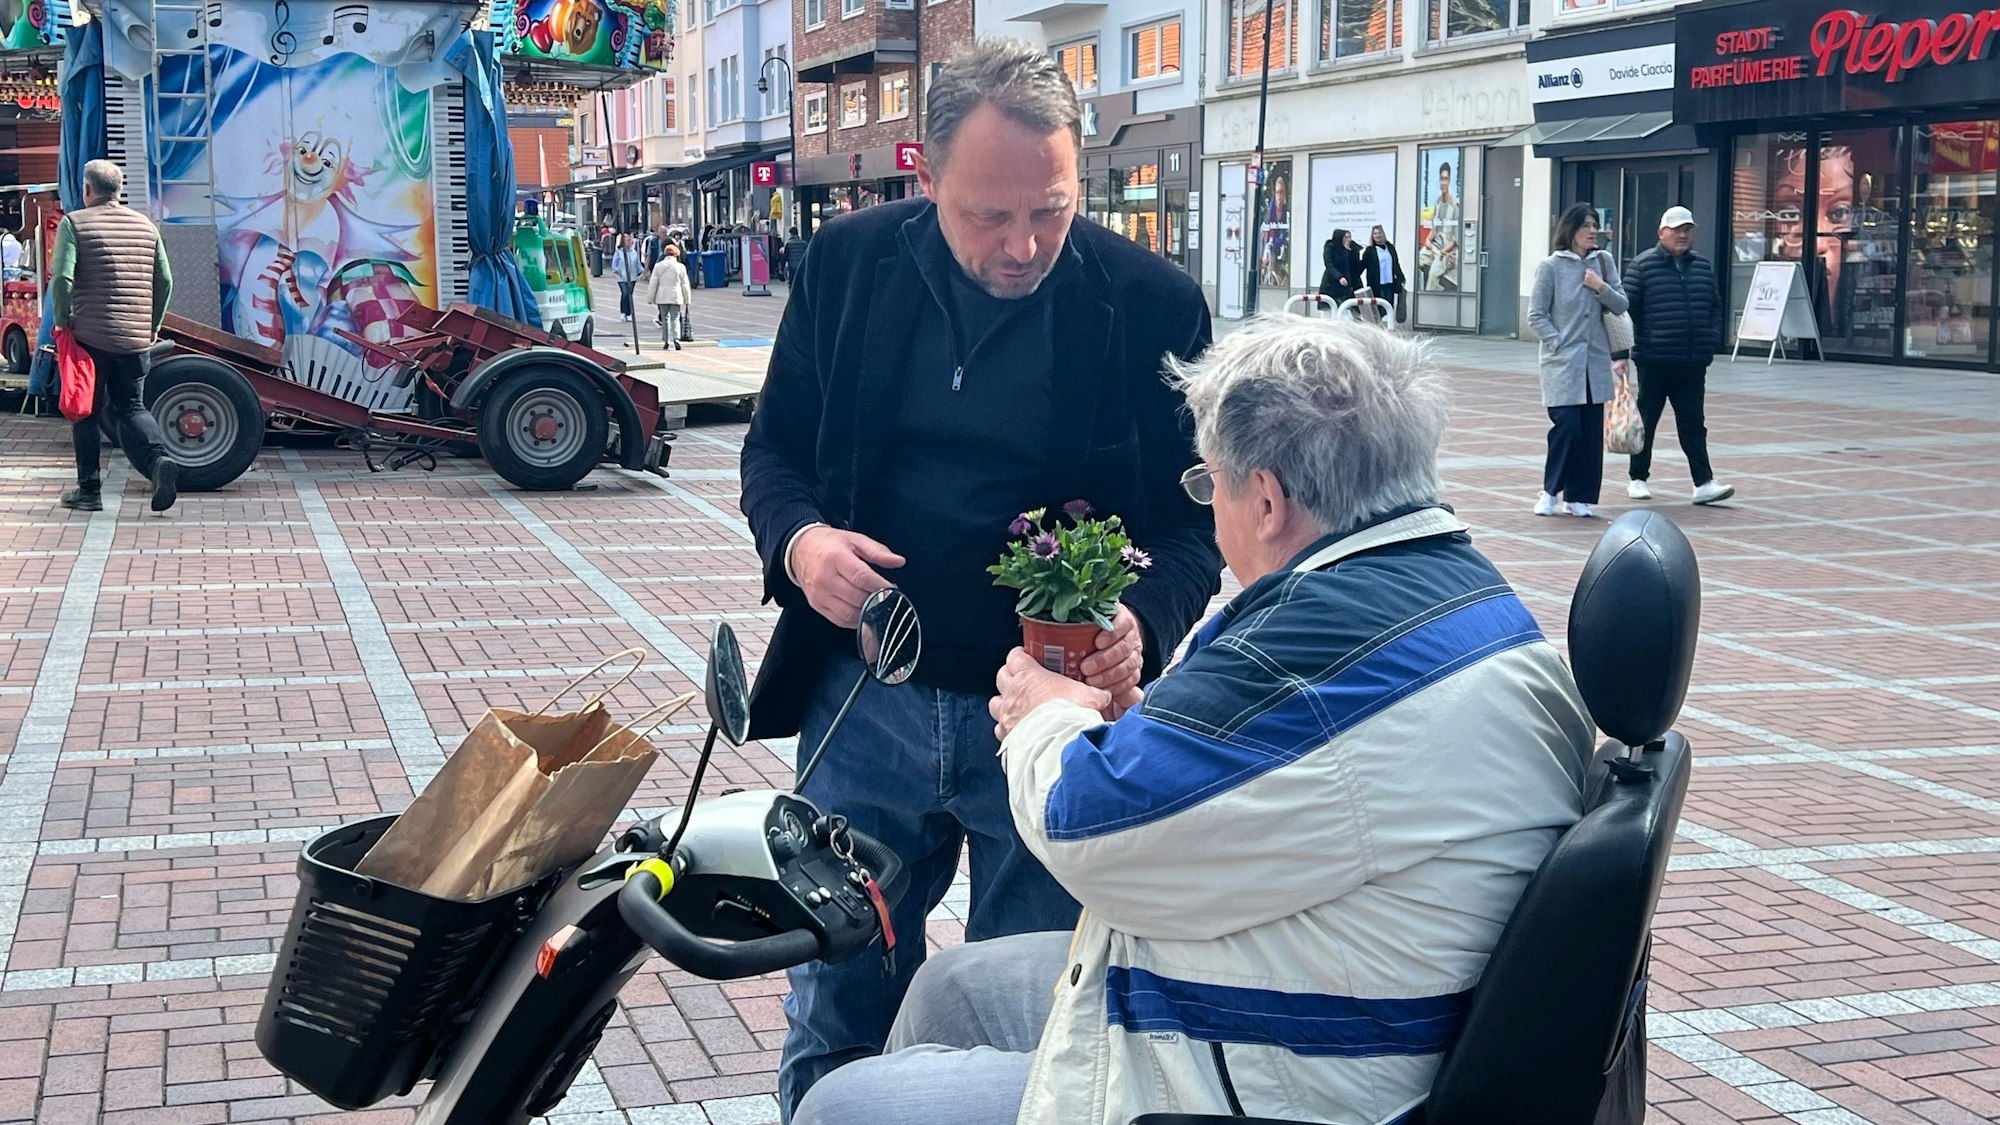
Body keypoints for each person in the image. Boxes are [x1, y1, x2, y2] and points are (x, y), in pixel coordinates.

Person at [793, 316, 1593, 1125]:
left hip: (1275, 1079)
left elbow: (1087, 827)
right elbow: (1292, 779)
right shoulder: (1440, 588)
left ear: (1269, 498)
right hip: (1343, 987)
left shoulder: (1316, 647)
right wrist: (1137, 729)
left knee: (842, 1106)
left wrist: (1046, 714)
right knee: (952, 986)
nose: (1211, 511)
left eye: (1212, 485)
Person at [740, 38, 1222, 1120]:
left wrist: (1139, 622)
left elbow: (1196, 528)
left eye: (1049, 210)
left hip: (1048, 719)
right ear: (923, 175)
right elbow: (772, 455)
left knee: (1037, 1016)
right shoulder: (848, 264)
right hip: (864, 697)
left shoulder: (1150, 303)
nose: (1021, 245)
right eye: (986, 216)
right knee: (835, 999)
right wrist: (802, 543)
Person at [54, 160, 181, 514]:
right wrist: (152, 324)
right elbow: (165, 281)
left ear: (87, 190)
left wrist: (64, 320)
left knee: (86, 413)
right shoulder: (145, 225)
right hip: (135, 339)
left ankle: (89, 491)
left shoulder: (74, 223)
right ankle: (159, 464)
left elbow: (63, 278)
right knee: (131, 407)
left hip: (90, 338)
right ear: (119, 190)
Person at [1623, 207, 1734, 507]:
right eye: (1676, 229)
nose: (1682, 235)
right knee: (1647, 420)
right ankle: (1638, 477)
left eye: (1687, 229)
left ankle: (1704, 482)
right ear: (1662, 233)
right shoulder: (1642, 266)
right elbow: (1626, 311)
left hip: (1692, 360)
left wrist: (1709, 342)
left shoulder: (1702, 266)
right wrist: (1629, 349)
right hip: (1654, 359)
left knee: (1693, 423)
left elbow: (1715, 307)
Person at [1528, 203, 1626, 519]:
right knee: (1566, 427)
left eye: (1595, 224)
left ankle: (1579, 496)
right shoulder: (1551, 267)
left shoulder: (1605, 262)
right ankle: (1550, 491)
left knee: (1589, 433)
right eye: (1586, 225)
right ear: (1570, 230)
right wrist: (1557, 342)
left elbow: (1621, 305)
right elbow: (1536, 314)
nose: (1593, 231)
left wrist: (1600, 287)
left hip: (1595, 362)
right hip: (1562, 363)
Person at [644, 242, 691, 351]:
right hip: (676, 295)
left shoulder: (658, 266)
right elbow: (685, 284)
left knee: (664, 318)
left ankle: (666, 340)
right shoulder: (680, 267)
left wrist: (650, 298)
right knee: (675, 317)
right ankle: (676, 338)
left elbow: (653, 283)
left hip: (662, 295)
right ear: (676, 254)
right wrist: (687, 299)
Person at [1421, 161, 1460, 292]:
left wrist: (1445, 250)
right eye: (1441, 179)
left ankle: (1429, 298)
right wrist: (1427, 240)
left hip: (1448, 252)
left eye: (1445, 179)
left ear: (1449, 180)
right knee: (1419, 260)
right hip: (1434, 247)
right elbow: (1434, 228)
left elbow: (1456, 239)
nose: (1443, 183)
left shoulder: (1455, 205)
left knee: (1433, 272)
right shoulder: (1437, 201)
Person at [1359, 224, 1405, 327]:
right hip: (1376, 284)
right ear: (1372, 236)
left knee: (1388, 306)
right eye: (1375, 233)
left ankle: (1390, 327)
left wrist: (1401, 277)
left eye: (1379, 233)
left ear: (1383, 234)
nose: (1377, 235)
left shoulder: (1390, 248)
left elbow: (1396, 264)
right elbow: (1362, 266)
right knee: (1378, 308)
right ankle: (1377, 327)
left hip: (1389, 283)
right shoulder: (1370, 251)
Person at [1318, 227, 1359, 308]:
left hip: (1348, 284)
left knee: (1348, 309)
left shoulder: (1352, 248)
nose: (1349, 239)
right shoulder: (1330, 247)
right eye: (1346, 237)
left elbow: (1355, 265)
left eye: (1350, 237)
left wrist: (1349, 251)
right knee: (1330, 309)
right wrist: (1339, 277)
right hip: (1332, 283)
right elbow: (1329, 264)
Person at [609, 233, 644, 321]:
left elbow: (638, 263)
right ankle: (623, 312)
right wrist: (617, 270)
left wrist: (642, 271)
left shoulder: (634, 252)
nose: (630, 242)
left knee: (629, 294)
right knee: (624, 293)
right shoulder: (619, 252)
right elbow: (614, 264)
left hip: (632, 276)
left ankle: (629, 313)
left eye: (630, 240)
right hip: (622, 277)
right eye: (627, 240)